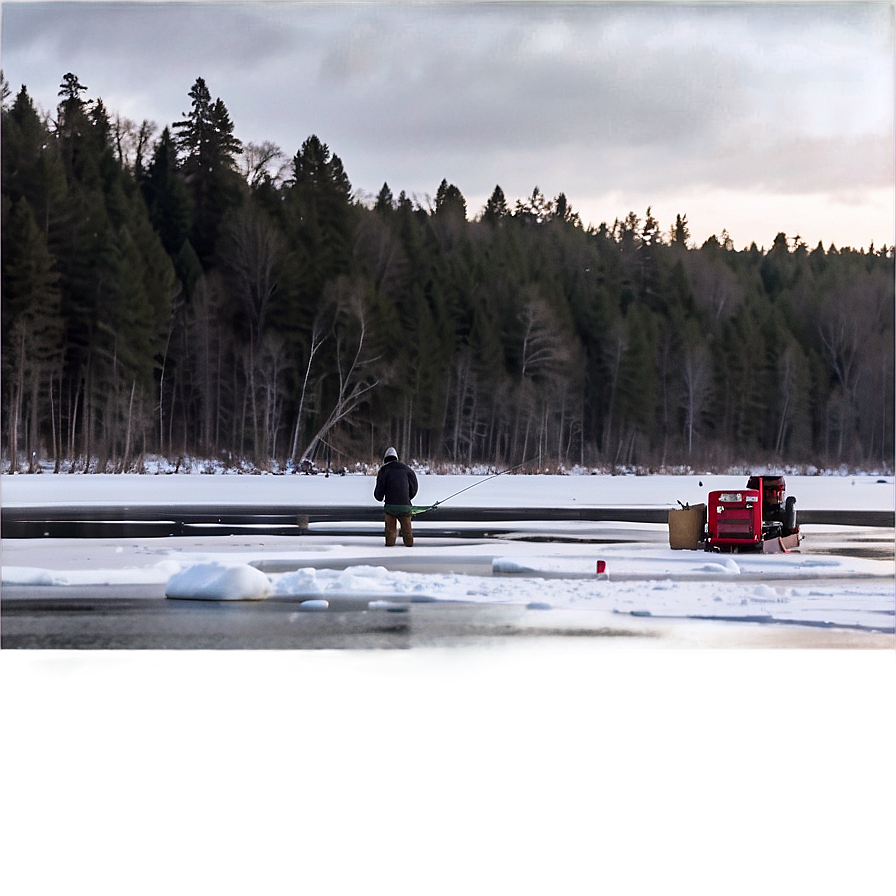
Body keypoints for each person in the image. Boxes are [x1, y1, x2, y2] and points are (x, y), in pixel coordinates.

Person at [373, 446, 418, 546]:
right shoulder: (408, 470)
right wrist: (407, 497)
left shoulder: (384, 470)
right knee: (407, 531)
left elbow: (378, 494)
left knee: (390, 531)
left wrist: (380, 497)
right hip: (405, 506)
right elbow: (414, 488)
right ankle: (409, 546)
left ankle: (390, 546)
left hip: (390, 507)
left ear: (385, 459)